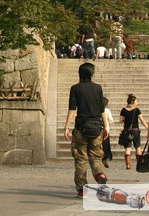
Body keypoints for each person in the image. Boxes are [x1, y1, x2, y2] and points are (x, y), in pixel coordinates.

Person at [63, 62, 108, 197]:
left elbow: (72, 108)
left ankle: (82, 189)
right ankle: (100, 174)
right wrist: (105, 126)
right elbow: (102, 109)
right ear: (91, 74)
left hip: (81, 128)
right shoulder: (98, 88)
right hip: (96, 127)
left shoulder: (75, 88)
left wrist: (66, 126)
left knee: (80, 158)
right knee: (96, 156)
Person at [119, 93, 147, 170]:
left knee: (128, 147)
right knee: (137, 147)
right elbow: (142, 120)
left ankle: (128, 165)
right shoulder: (137, 110)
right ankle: (139, 164)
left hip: (127, 131)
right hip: (135, 131)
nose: (137, 103)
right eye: (136, 101)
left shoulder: (123, 110)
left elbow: (120, 120)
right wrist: (147, 127)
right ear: (132, 102)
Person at [101, 97, 114, 167]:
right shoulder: (107, 110)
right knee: (105, 144)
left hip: (97, 128)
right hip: (106, 129)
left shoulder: (96, 110)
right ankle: (105, 156)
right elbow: (111, 120)